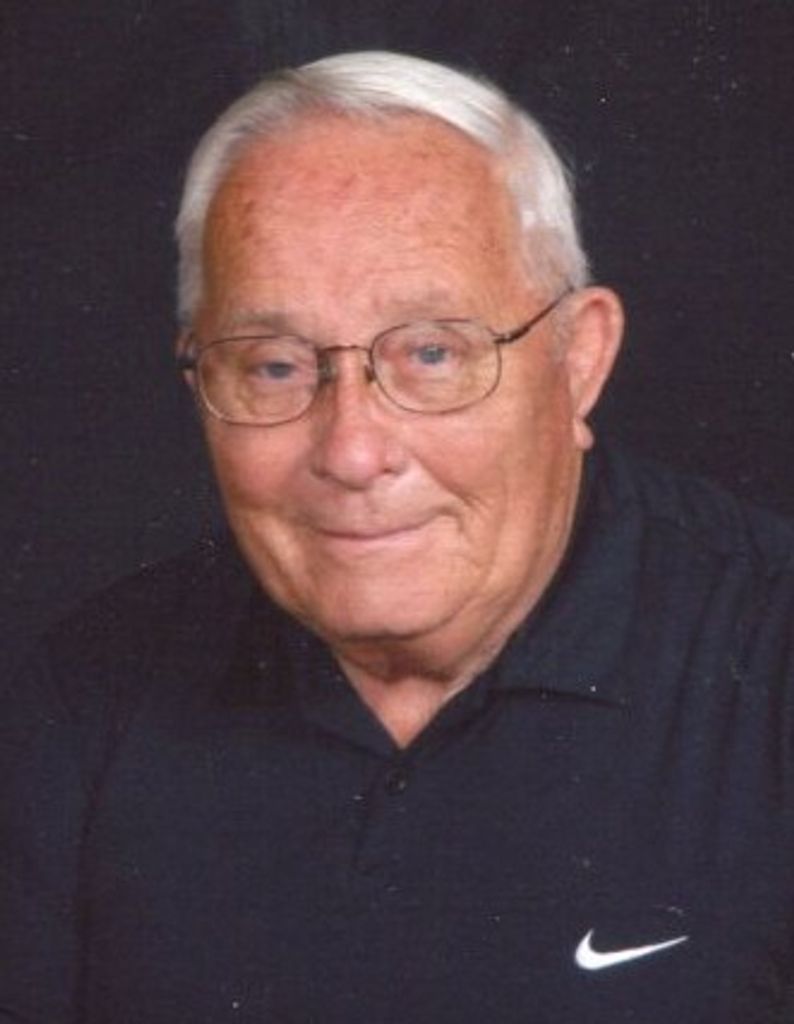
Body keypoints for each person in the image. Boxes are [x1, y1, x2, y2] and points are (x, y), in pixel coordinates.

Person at [2, 50, 793, 1024]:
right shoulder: (88, 700)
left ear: (577, 361)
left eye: (430, 353)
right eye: (274, 366)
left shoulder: (769, 666)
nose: (352, 450)